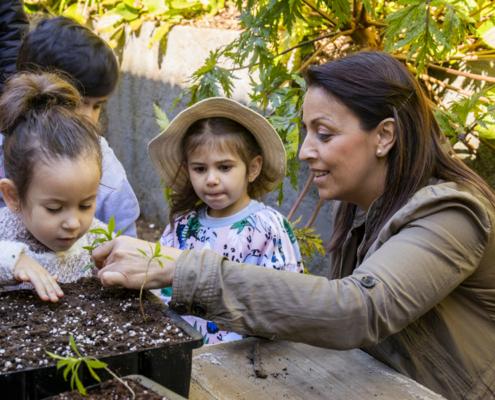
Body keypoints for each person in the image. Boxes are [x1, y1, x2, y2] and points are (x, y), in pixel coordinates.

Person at [94, 51, 495, 400]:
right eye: (306, 133)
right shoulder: (358, 208)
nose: (304, 151)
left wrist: (183, 269)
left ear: (384, 135)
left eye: (323, 133)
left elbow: (359, 310)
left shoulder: (453, 213)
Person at [148, 97, 303, 343]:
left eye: (224, 167)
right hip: (184, 351)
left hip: (246, 359)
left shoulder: (269, 228)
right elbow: (160, 287)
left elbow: (285, 300)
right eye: (200, 169)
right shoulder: (183, 226)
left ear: (253, 168)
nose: (211, 179)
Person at [0, 14, 140, 238]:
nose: (89, 119)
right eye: (78, 104)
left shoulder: (105, 168)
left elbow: (124, 240)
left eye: (97, 106)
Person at [0, 72, 108, 301]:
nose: (73, 223)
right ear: (13, 196)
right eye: (54, 209)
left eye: (86, 205)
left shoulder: (97, 237)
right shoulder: (5, 231)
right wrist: (12, 260)